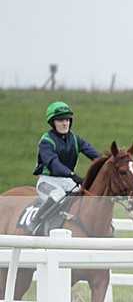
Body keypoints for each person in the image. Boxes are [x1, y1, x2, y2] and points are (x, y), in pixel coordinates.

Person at [31, 101, 103, 235]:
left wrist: (108, 162)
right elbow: (54, 163)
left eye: (67, 120)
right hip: (48, 181)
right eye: (60, 120)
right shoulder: (46, 141)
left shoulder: (75, 139)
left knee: (86, 195)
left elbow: (93, 153)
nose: (65, 123)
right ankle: (36, 221)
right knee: (58, 195)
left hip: (68, 181)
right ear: (53, 123)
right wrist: (72, 174)